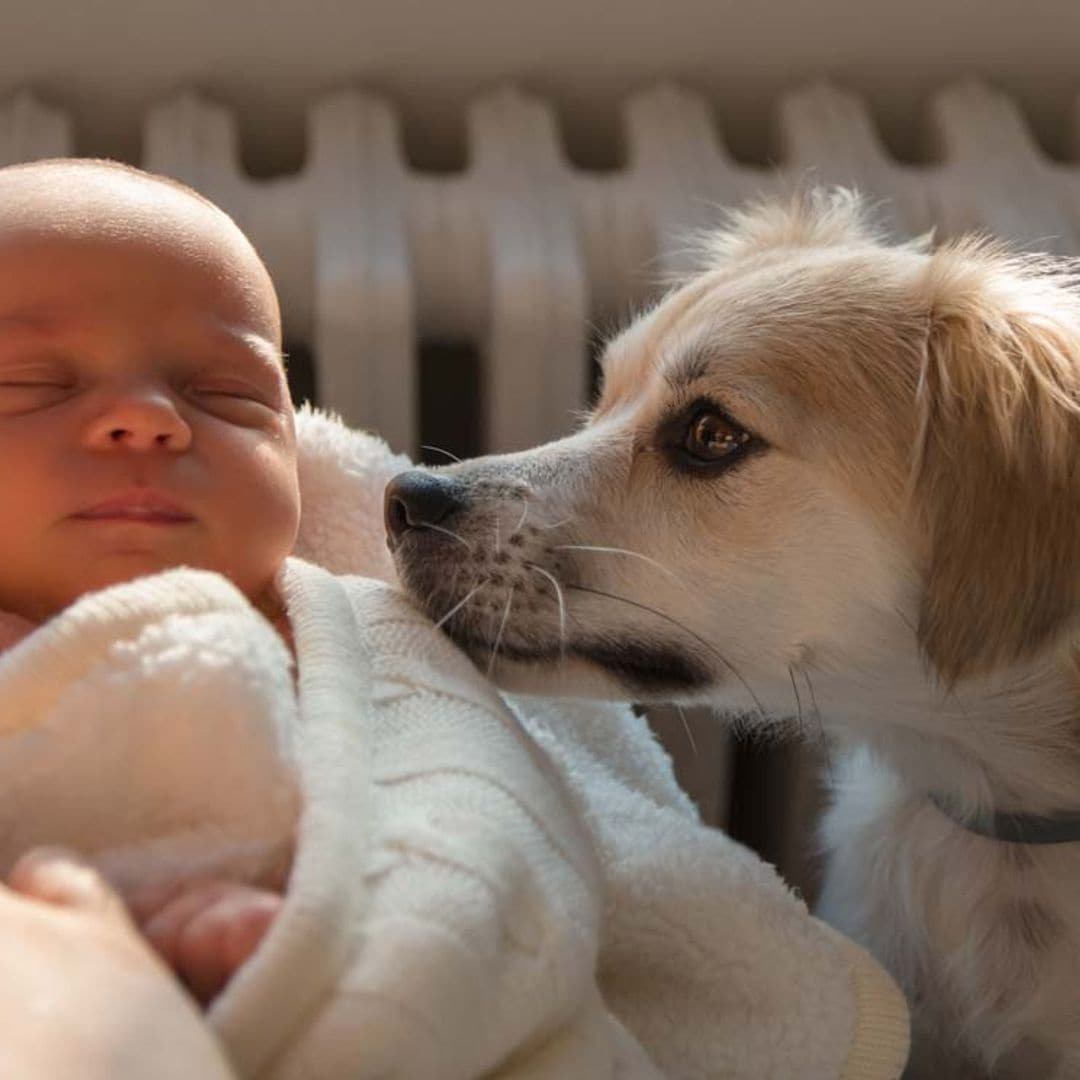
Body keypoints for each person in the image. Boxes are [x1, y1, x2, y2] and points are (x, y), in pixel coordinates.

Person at [0, 157, 298, 1003]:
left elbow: (456, 839)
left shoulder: (344, 646)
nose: (150, 419)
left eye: (226, 394)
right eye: (30, 384)